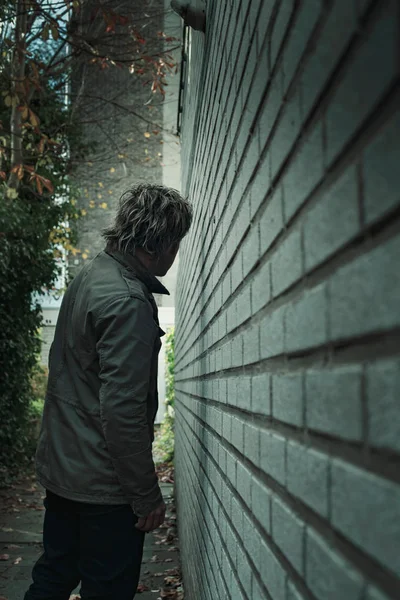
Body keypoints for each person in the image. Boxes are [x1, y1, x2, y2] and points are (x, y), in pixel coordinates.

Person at [24, 183, 192, 600]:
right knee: (107, 589)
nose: (175, 256)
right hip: (103, 486)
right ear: (160, 244)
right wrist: (146, 496)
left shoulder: (92, 273)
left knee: (53, 575)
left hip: (64, 471)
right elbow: (123, 412)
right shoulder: (127, 301)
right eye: (176, 244)